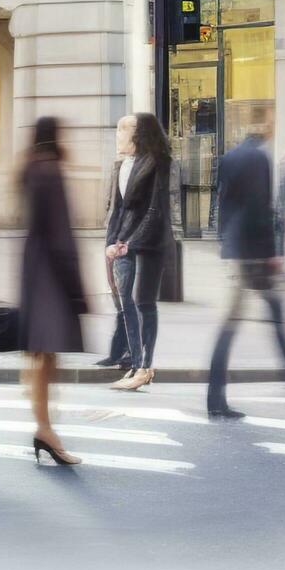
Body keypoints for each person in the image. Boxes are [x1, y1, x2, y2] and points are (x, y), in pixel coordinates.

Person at [206, 122, 285, 419]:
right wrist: (270, 253)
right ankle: (217, 398)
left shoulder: (231, 157)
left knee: (264, 311)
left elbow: (224, 204)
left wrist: (226, 242)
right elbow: (260, 208)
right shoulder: (259, 159)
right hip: (253, 253)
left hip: (237, 250)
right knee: (231, 326)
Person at [16, 116, 91, 467]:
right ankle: (45, 429)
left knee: (43, 356)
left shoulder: (30, 170)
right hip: (52, 279)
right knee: (47, 357)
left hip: (34, 272)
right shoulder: (51, 172)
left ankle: (45, 427)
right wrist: (77, 290)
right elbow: (62, 236)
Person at [98, 113, 173, 391]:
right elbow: (117, 210)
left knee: (144, 303)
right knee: (126, 303)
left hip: (149, 244)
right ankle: (135, 364)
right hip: (121, 245)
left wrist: (131, 242)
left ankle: (145, 367)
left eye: (122, 130)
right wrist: (112, 243)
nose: (118, 135)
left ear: (139, 135)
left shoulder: (157, 162)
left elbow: (155, 210)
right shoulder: (120, 166)